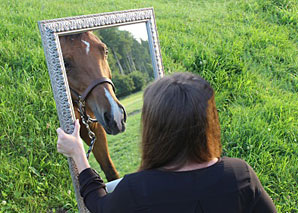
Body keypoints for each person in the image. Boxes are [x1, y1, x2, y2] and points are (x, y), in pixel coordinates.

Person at [57, 72, 276, 213]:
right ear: (209, 122)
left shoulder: (135, 190)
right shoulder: (238, 174)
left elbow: (98, 205)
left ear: (153, 128)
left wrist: (78, 155)